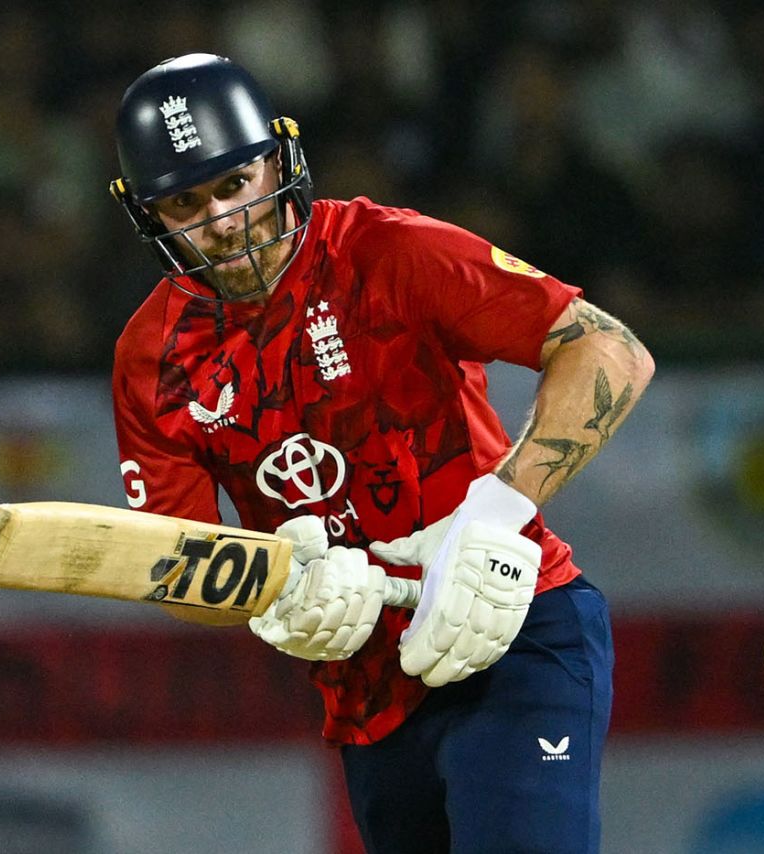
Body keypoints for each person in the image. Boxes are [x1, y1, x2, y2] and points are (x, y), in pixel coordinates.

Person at [107, 53, 655, 854]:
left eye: (236, 184)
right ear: (146, 213)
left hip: (515, 629)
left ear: (279, 161)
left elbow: (609, 350)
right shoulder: (151, 357)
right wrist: (277, 586)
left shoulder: (388, 251)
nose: (222, 221)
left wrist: (496, 516)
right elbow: (183, 567)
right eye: (186, 202)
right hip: (364, 691)